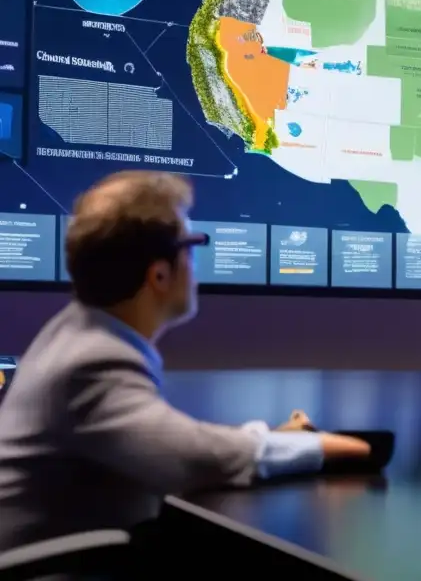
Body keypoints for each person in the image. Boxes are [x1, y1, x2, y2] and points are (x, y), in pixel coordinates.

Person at [0, 171, 371, 551]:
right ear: (159, 274)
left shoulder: (74, 334)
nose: (195, 264)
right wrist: (322, 446)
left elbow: (173, 441)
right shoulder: (92, 362)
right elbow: (192, 458)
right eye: (191, 247)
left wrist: (272, 438)